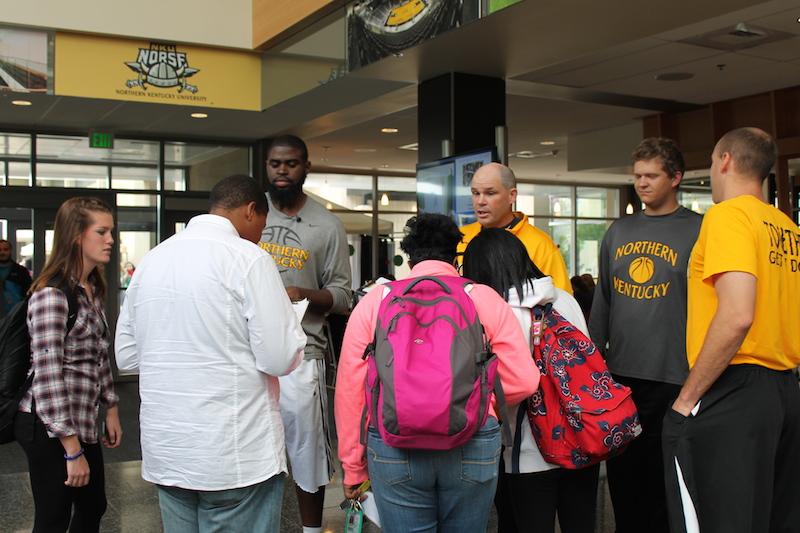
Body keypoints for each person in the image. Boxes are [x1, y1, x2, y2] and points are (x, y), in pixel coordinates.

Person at [116, 175, 306, 533]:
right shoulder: (249, 259)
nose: (261, 235)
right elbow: (279, 358)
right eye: (263, 226)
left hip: (169, 452)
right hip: (234, 454)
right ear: (251, 210)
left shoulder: (153, 261)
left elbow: (126, 356)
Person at [335, 213, 539, 533]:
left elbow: (351, 388)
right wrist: (479, 403)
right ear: (455, 253)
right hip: (471, 440)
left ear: (410, 255)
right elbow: (525, 379)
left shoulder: (377, 301)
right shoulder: (483, 297)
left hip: (393, 443)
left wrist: (353, 467)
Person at [663, 128, 800, 532]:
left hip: (734, 389)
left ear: (724, 160)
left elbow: (738, 313)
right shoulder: (786, 227)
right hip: (785, 392)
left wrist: (687, 397)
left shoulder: (728, 215)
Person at [588, 137, 701, 532]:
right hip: (621, 375)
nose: (642, 183)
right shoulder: (619, 230)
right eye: (637, 176)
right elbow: (603, 300)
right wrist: (594, 366)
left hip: (676, 375)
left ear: (676, 177)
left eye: (651, 175)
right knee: (624, 479)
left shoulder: (699, 230)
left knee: (667, 481)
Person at [463, 228, 599, 533]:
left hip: (528, 452)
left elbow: (506, 382)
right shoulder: (565, 299)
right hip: (583, 439)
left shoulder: (501, 311)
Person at [259, 135, 352, 533]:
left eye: (291, 163)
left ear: (306, 167)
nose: (282, 170)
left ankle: (312, 529)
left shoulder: (326, 224)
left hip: (303, 352)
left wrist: (302, 294)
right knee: (255, 446)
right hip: (248, 351)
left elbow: (345, 295)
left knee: (306, 450)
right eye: (275, 163)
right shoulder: (249, 214)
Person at [14, 197, 122, 533]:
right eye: (101, 232)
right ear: (77, 236)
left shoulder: (90, 288)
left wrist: (112, 407)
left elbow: (97, 354)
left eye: (111, 232)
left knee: (93, 506)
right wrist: (71, 450)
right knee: (53, 517)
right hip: (49, 426)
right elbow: (48, 377)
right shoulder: (52, 294)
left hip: (80, 419)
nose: (111, 240)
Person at [456, 162, 571, 293]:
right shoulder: (459, 237)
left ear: (512, 195)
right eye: (476, 193)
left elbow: (560, 303)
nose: (480, 201)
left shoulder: (541, 245)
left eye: (490, 193)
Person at [0, 238, 32, 317]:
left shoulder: (21, 271)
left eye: (5, 249)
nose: (2, 252)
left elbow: (29, 293)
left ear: (10, 251)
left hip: (16, 316)